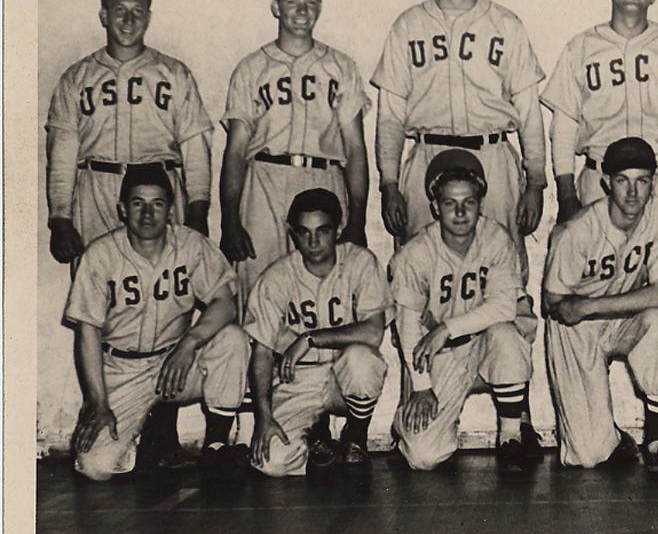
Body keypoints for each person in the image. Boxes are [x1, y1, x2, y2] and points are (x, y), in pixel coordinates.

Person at [46, 0, 216, 469]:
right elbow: (63, 150)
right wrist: (59, 215)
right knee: (104, 310)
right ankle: (103, 409)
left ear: (149, 14)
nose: (128, 18)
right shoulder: (77, 78)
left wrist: (200, 207)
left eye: (137, 9)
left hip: (158, 189)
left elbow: (196, 148)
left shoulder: (173, 73)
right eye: (118, 9)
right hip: (99, 190)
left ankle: (160, 432)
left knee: (168, 301)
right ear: (102, 14)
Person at [540, 0, 658, 451]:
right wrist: (566, 189)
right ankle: (599, 424)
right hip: (598, 179)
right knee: (594, 288)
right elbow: (564, 124)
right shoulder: (581, 47)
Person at [371, 0, 547, 269]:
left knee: (502, 266)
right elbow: (390, 114)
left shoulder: (505, 23)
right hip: (427, 153)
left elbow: (529, 111)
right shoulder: (408, 26)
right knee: (418, 268)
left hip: (492, 155)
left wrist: (536, 182)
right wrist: (389, 184)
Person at [64, 164, 250, 481]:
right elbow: (88, 331)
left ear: (171, 210)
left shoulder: (190, 245)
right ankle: (135, 436)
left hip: (173, 363)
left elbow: (225, 303)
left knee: (232, 338)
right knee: (95, 466)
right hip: (121, 370)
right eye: (138, 203)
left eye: (158, 203)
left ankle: (216, 445)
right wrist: (97, 402)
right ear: (122, 209)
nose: (148, 213)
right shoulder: (100, 255)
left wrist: (189, 344)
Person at [543, 137, 658, 479]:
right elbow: (554, 303)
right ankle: (612, 439)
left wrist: (591, 304)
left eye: (642, 181)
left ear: (653, 182)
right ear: (606, 182)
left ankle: (656, 444)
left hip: (618, 314)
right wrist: (583, 310)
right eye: (622, 180)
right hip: (577, 328)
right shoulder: (577, 231)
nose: (632, 192)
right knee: (588, 456)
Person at [219, 0, 371, 302]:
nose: (302, 11)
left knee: (325, 290)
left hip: (324, 179)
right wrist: (229, 218)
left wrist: (358, 217)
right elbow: (235, 151)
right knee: (259, 290)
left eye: (311, 1)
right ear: (275, 6)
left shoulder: (341, 66)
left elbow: (356, 149)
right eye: (292, 1)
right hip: (265, 183)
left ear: (320, 5)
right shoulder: (251, 68)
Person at [389, 150, 541, 476]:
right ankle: (421, 425)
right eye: (449, 203)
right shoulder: (414, 254)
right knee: (423, 456)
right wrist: (420, 387)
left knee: (506, 333)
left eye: (468, 202)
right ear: (434, 207)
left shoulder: (497, 238)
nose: (460, 212)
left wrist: (445, 327)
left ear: (480, 205)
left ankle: (511, 436)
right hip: (441, 357)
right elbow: (407, 325)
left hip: (485, 346)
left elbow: (503, 305)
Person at [245, 189, 389, 476]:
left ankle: (355, 436)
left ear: (337, 229)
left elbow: (374, 332)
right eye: (304, 232)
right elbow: (261, 351)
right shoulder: (276, 277)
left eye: (322, 230)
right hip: (298, 379)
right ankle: (314, 436)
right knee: (271, 463)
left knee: (363, 358)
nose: (313, 241)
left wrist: (311, 338)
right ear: (292, 234)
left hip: (343, 375)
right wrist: (263, 417)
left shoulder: (361, 262)